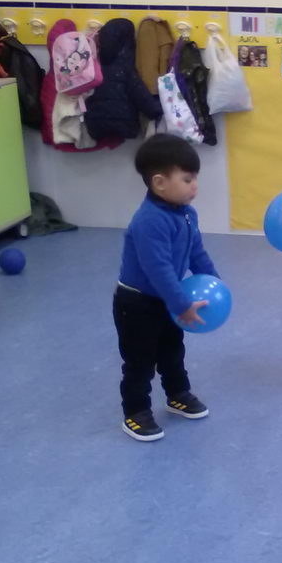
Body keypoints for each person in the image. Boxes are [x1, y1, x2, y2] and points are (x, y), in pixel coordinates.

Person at [114, 134, 218, 442]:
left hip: (166, 301)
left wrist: (213, 281)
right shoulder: (149, 221)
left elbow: (196, 251)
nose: (194, 186)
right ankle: (135, 412)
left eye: (195, 178)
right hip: (137, 304)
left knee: (173, 351)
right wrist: (182, 303)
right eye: (187, 179)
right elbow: (157, 270)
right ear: (159, 183)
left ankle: (177, 394)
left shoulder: (187, 213)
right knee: (140, 361)